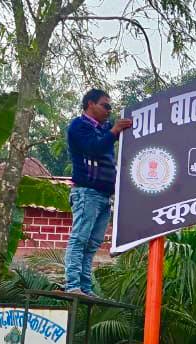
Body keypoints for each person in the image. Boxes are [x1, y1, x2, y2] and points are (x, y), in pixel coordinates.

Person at [65, 88, 132, 296]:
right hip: (87, 192)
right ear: (90, 104)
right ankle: (72, 285)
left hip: (104, 195)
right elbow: (93, 148)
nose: (109, 110)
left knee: (92, 243)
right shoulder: (79, 126)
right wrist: (114, 131)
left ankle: (84, 287)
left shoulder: (104, 129)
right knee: (80, 239)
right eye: (105, 105)